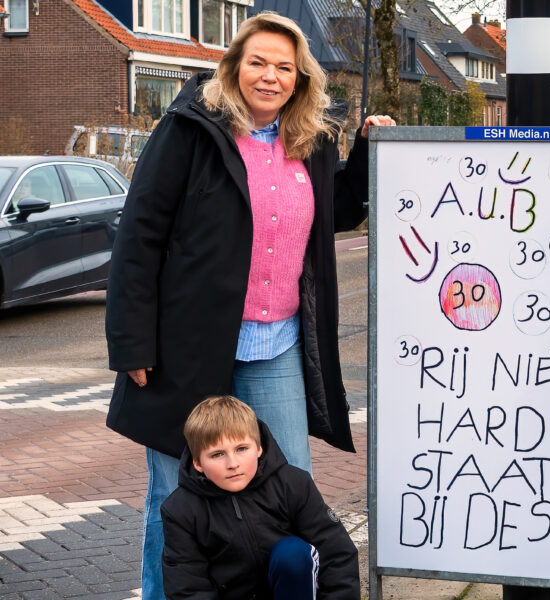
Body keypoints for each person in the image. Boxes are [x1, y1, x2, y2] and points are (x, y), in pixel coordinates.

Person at [103, 12, 393, 599]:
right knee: (175, 496)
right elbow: (140, 234)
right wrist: (132, 341)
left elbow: (335, 210)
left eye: (284, 66)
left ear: (300, 77)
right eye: (257, 62)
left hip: (276, 344)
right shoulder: (189, 130)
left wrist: (365, 150)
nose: (269, 76)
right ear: (234, 67)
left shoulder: (311, 139)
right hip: (186, 347)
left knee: (290, 488)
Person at [161, 396, 358, 599]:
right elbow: (187, 586)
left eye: (241, 449)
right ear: (198, 463)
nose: (233, 464)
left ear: (259, 447)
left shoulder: (293, 484)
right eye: (217, 454)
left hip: (291, 592)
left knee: (293, 553)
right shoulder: (180, 510)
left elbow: (336, 552)